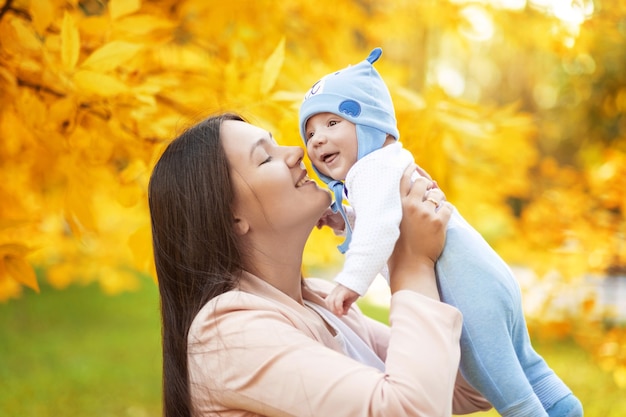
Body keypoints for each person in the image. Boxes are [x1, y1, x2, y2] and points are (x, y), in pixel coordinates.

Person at [299, 48, 584, 417]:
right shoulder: (389, 163)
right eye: (310, 131)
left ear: (369, 121)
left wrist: (350, 282)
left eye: (332, 123)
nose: (318, 139)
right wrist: (343, 220)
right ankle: (567, 409)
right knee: (528, 367)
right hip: (487, 277)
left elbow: (380, 229)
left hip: (466, 295)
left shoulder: (368, 171)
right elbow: (386, 217)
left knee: (510, 396)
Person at [148, 112, 492, 417]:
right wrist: (413, 264)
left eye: (277, 144)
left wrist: (422, 244)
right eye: (266, 158)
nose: (297, 152)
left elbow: (471, 384)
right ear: (231, 216)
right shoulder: (228, 333)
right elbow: (412, 410)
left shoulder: (324, 303)